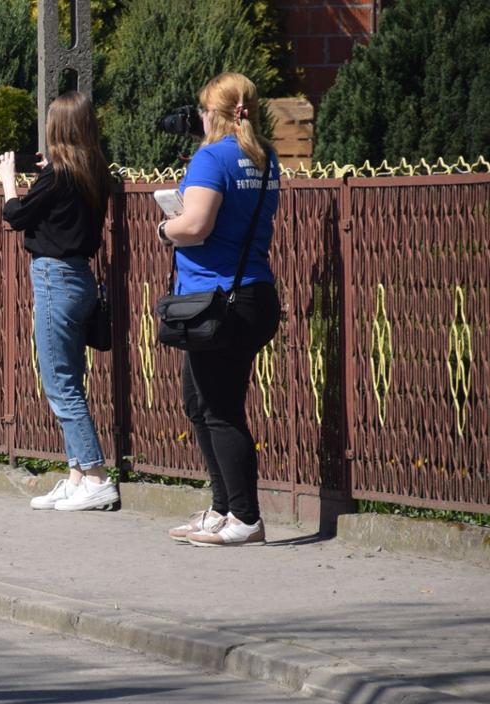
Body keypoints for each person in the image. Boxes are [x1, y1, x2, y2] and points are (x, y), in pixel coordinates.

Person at [156, 72, 283, 548]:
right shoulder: (263, 157)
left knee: (220, 410)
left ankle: (245, 517)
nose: (202, 117)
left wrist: (165, 228)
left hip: (218, 301)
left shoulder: (212, 157)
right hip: (251, 294)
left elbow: (196, 225)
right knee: (199, 403)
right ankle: (222, 508)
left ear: (215, 112)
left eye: (205, 109)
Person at [0, 91, 119, 513]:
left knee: (60, 386)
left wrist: (9, 180)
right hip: (81, 279)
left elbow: (16, 216)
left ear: (56, 129)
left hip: (55, 280)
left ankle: (97, 475)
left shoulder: (57, 176)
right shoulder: (94, 172)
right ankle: (76, 477)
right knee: (70, 381)